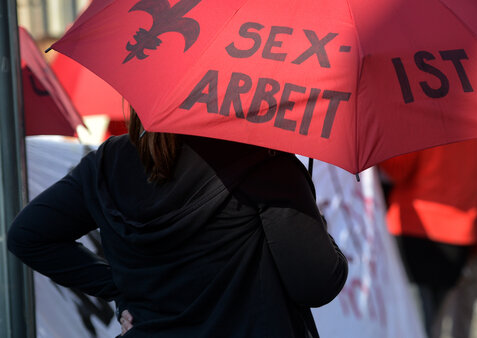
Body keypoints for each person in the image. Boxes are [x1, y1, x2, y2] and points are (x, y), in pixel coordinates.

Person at [7, 108, 348, 337]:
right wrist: (317, 225)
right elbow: (315, 284)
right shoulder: (266, 162)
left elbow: (29, 236)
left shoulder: (108, 162)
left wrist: (119, 286)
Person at [379, 137, 477, 336]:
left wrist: (378, 151)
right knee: (438, 324)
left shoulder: (422, 109)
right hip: (460, 235)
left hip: (414, 230)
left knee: (413, 323)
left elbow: (399, 169)